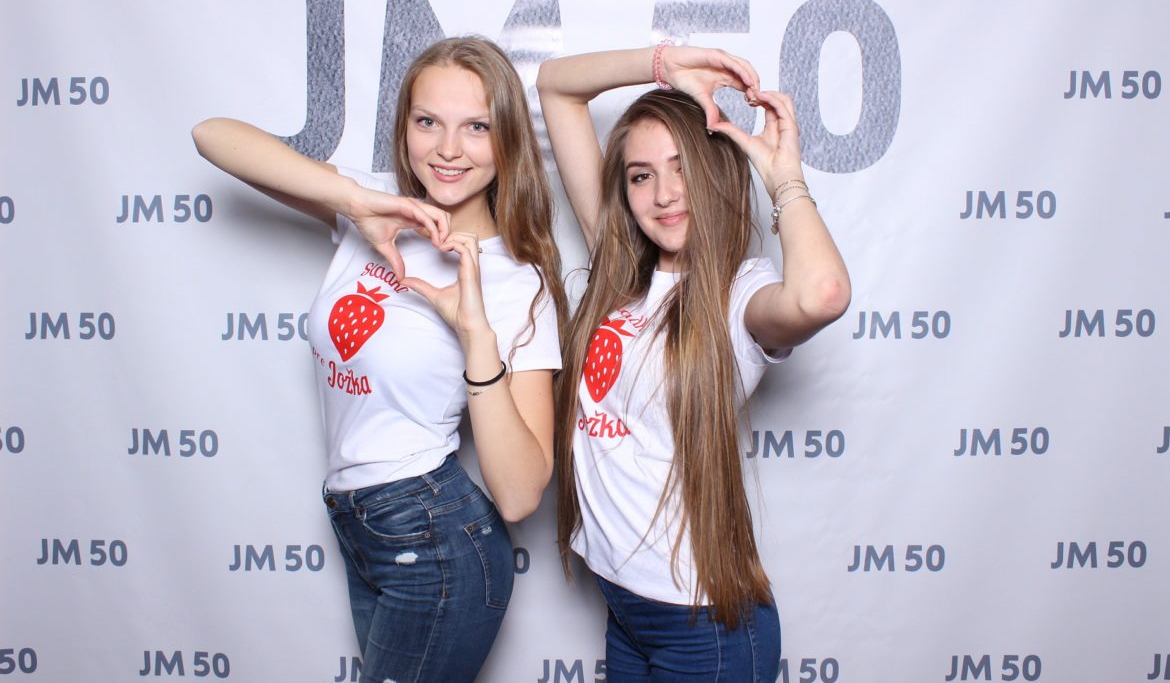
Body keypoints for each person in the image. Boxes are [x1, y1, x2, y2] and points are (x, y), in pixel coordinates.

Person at [193, 36, 566, 683]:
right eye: (428, 122)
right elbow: (211, 136)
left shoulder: (517, 280)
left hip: (433, 539)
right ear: (404, 127)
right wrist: (356, 202)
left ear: (508, 137)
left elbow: (518, 494)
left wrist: (476, 337)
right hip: (360, 527)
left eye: (476, 127)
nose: (448, 149)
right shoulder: (373, 207)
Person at [537, 43, 850, 681]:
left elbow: (822, 295)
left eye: (682, 167)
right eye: (641, 175)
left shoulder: (737, 294)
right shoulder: (619, 269)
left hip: (705, 629)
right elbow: (556, 87)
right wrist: (665, 65)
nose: (663, 194)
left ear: (712, 170)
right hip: (627, 609)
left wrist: (784, 179)